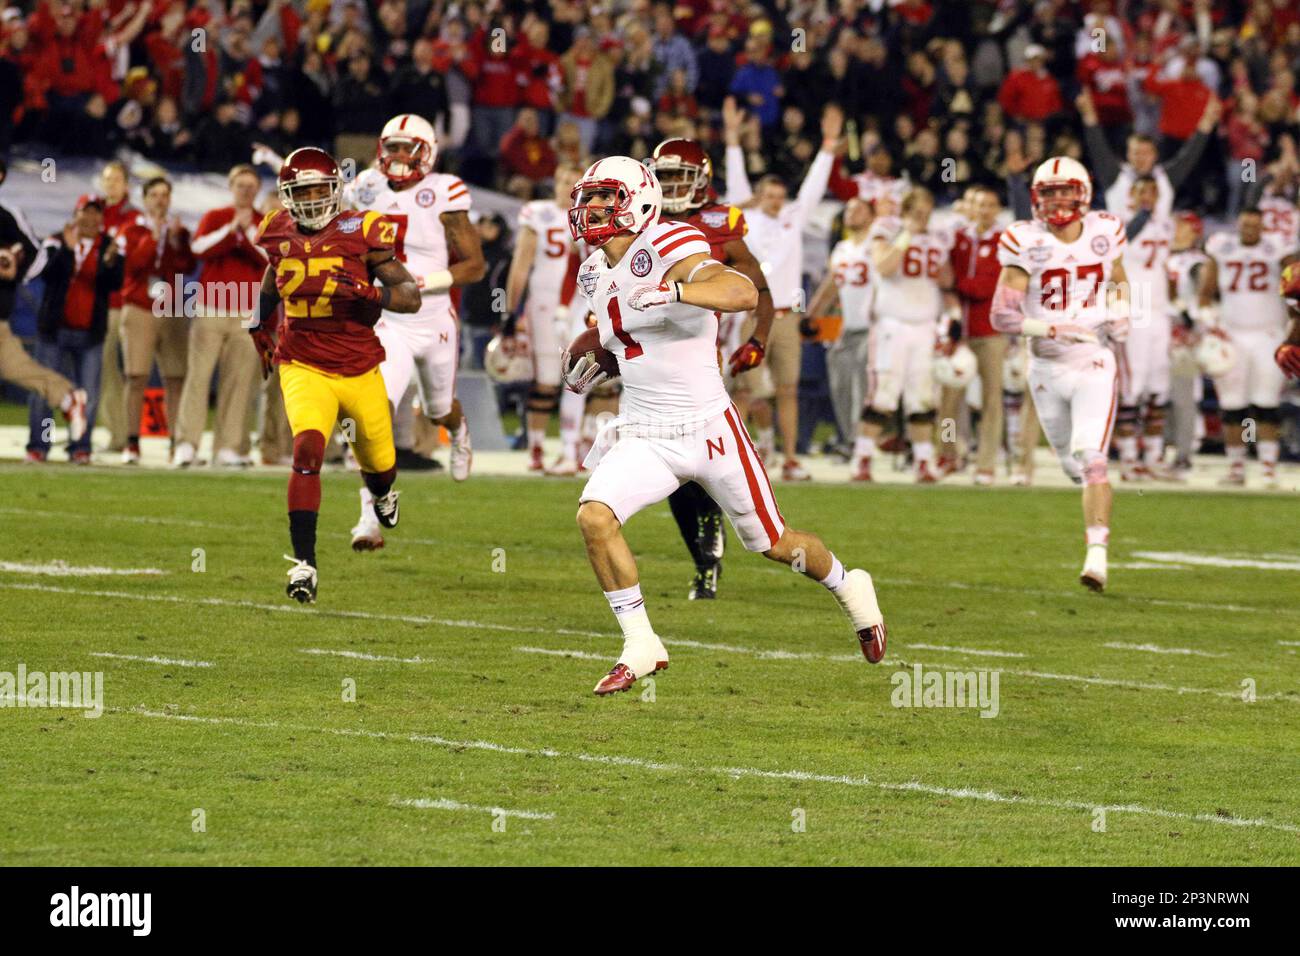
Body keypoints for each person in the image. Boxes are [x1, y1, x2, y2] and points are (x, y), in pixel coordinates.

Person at [565, 155, 886, 696]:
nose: (593, 209)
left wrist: (675, 291)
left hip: (709, 428)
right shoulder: (594, 268)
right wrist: (591, 363)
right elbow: (622, 340)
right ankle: (641, 643)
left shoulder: (670, 241)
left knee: (776, 544)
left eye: (605, 198)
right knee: (595, 517)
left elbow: (739, 292)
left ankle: (851, 587)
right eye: (589, 198)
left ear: (638, 202)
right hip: (645, 429)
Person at [252, 147, 422, 602]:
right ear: (287, 195)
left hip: (359, 365)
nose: (309, 200)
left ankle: (383, 493)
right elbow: (273, 278)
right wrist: (258, 322)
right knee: (307, 447)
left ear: (335, 191)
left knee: (380, 464)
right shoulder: (275, 230)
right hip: (302, 360)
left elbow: (410, 296)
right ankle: (303, 564)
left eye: (317, 189)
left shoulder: (362, 230)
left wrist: (371, 294)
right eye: (300, 191)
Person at [344, 114, 486, 549]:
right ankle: (370, 515)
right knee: (375, 409)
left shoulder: (444, 190)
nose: (400, 157)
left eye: (410, 148)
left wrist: (423, 282)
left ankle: (459, 434)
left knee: (441, 409)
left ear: (428, 152)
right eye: (394, 147)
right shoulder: (364, 186)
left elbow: (475, 266)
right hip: (390, 320)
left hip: (435, 317)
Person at [991, 157, 1131, 592]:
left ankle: (1097, 557)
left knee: (1092, 458)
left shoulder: (1106, 231)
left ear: (1083, 193)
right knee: (1074, 468)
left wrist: (1123, 312)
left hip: (1092, 361)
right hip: (1046, 368)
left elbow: (1119, 281)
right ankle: (1091, 502)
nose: (1056, 201)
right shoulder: (1023, 240)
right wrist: (1051, 327)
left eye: (1064, 191)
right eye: (1047, 192)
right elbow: (1001, 315)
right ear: (1035, 198)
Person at [649, 136, 775, 600]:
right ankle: (705, 554)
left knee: (702, 462)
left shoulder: (721, 223)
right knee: (671, 468)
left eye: (680, 177)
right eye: (663, 178)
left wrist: (759, 338)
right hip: (651, 357)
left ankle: (717, 540)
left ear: (703, 180)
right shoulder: (642, 221)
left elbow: (759, 288)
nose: (671, 187)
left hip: (703, 358)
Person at [723, 97, 841, 480]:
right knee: (746, 390)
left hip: (787, 315)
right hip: (754, 311)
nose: (775, 201)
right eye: (768, 195)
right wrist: (733, 141)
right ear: (760, 195)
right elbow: (736, 184)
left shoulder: (793, 217)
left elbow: (812, 189)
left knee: (788, 388)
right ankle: (733, 460)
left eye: (779, 195)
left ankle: (789, 458)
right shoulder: (746, 219)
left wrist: (827, 147)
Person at [857, 186, 957, 483]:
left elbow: (948, 279)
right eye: (916, 212)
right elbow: (883, 266)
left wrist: (952, 319)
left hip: (925, 324)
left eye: (926, 212)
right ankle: (862, 459)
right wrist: (906, 236)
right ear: (905, 211)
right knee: (883, 395)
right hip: (892, 324)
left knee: (922, 398)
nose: (922, 217)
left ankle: (924, 461)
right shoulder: (888, 229)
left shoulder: (938, 238)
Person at [1198, 208, 1299, 488]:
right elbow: (1205, 294)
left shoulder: (1277, 248)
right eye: (1245, 225)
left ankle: (1268, 469)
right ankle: (1236, 467)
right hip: (1232, 334)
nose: (1250, 230)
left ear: (1262, 226)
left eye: (1255, 225)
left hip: (1268, 333)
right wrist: (1210, 323)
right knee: (1233, 406)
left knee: (1266, 403)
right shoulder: (1222, 247)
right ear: (1238, 225)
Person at [174, 163, 266, 467]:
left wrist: (248, 232)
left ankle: (228, 446)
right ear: (231, 187)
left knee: (238, 382)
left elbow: (270, 257)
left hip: (246, 310)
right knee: (198, 378)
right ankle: (187, 444)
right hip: (211, 306)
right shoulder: (215, 217)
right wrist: (231, 231)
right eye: (241, 185)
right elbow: (199, 248)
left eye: (251, 187)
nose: (246, 191)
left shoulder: (264, 222)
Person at [26, 195, 123, 463]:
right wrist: (67, 251)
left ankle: (80, 446)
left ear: (102, 218)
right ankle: (38, 446)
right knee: (45, 391)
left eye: (96, 213)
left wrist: (109, 263)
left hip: (90, 332)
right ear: (76, 214)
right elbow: (46, 275)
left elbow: (114, 284)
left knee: (88, 394)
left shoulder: (110, 246)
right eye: (86, 212)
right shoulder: (56, 240)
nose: (91, 218)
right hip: (54, 330)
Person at [504, 162, 583, 472]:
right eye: (563, 179)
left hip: (583, 302)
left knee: (586, 377)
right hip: (545, 304)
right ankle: (535, 445)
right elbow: (521, 263)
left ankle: (581, 445)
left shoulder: (593, 215)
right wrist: (511, 310)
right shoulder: (539, 212)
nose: (567, 186)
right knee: (547, 379)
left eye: (573, 181)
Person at [118, 176, 194, 463]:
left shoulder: (178, 231)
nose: (161, 201)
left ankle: (176, 440)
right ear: (145, 198)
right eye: (155, 195)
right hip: (140, 305)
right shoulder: (133, 228)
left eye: (165, 195)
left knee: (175, 378)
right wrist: (154, 237)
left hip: (170, 305)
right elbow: (134, 264)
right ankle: (131, 442)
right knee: (136, 376)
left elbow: (187, 265)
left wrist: (177, 241)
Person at [943, 185, 1008, 485]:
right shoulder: (959, 237)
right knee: (949, 396)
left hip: (989, 331)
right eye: (980, 204)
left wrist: (953, 283)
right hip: (959, 332)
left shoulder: (1003, 242)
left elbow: (985, 287)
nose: (984, 210)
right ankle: (947, 454)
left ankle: (986, 463)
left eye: (990, 205)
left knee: (991, 399)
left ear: (997, 209)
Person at [808, 196, 874, 464]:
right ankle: (849, 439)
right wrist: (812, 314)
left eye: (858, 208)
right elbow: (831, 286)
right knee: (841, 384)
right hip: (849, 325)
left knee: (863, 388)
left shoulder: (878, 245)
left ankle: (864, 443)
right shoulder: (842, 248)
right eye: (849, 208)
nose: (851, 212)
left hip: (875, 326)